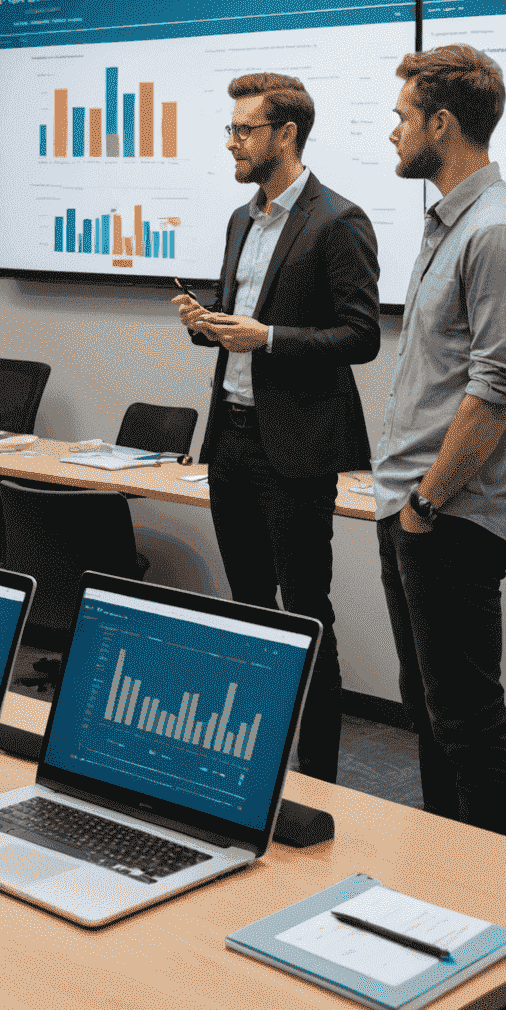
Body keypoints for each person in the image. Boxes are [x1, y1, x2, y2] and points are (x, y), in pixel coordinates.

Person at [372, 44, 506, 839]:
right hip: (420, 507)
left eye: (403, 118)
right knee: (433, 715)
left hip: (452, 515)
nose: (393, 134)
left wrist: (424, 503)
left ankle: (493, 915)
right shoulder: (453, 222)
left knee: (469, 726)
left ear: (441, 124)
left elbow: (495, 394)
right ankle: (444, 886)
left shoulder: (501, 232)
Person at [173, 73, 379, 783]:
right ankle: (256, 765)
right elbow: (243, 329)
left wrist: (267, 338)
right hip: (229, 437)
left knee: (305, 612)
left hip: (293, 450)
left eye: (244, 130)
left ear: (285, 135)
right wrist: (209, 325)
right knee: (248, 610)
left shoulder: (337, 221)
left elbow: (360, 337)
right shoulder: (241, 220)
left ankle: (319, 773)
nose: (232, 141)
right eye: (230, 129)